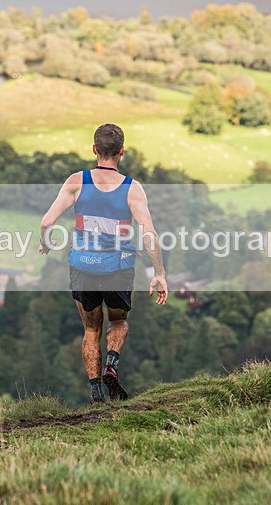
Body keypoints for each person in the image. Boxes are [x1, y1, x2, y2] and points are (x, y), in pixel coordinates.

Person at [39, 123, 167, 404]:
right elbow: (149, 233)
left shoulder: (77, 181)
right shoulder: (133, 189)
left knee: (91, 329)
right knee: (119, 321)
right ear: (121, 152)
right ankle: (111, 364)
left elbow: (47, 222)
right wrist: (158, 274)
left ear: (95, 150)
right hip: (118, 268)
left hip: (82, 268)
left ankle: (96, 395)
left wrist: (46, 243)